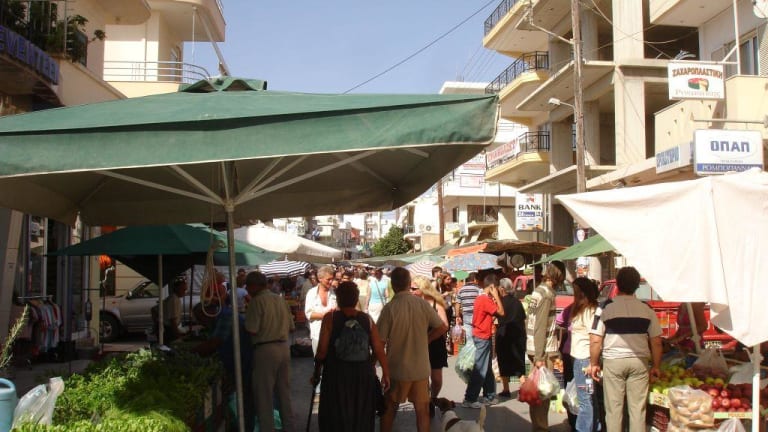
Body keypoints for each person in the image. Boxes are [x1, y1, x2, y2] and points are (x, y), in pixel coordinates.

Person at [589, 266, 662, 432]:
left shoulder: (605, 307)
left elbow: (595, 340)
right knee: (638, 411)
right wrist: (656, 366)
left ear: (618, 284)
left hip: (613, 362)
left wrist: (594, 363)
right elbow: (656, 342)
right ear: (637, 286)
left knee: (614, 411)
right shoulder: (646, 309)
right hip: (639, 363)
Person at [311, 282, 390, 432]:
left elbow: (321, 351)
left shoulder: (330, 318)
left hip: (336, 374)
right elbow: (379, 349)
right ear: (356, 299)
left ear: (338, 299)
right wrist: (385, 373)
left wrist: (316, 372)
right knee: (361, 413)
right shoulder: (367, 319)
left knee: (336, 413)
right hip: (362, 375)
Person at [377, 267, 448, 432]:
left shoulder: (390, 308)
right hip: (420, 369)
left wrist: (378, 366)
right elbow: (441, 326)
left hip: (397, 369)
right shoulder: (422, 304)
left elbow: (380, 342)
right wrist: (427, 339)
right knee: (422, 411)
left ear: (393, 285)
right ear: (409, 284)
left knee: (389, 408)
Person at [191, 292, 255, 432]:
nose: (201, 323)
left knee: (245, 398)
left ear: (208, 312)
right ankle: (237, 424)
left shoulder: (226, 317)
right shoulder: (220, 317)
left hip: (243, 361)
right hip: (233, 361)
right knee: (237, 397)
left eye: (201, 319)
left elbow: (214, 343)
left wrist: (191, 351)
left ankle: (245, 427)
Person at [245, 271, 295, 432]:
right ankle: (289, 427)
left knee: (264, 395)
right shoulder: (280, 300)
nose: (246, 289)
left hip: (265, 349)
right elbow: (292, 327)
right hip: (283, 348)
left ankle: (267, 428)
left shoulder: (257, 301)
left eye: (248, 286)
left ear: (254, 286)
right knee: (284, 393)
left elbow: (252, 329)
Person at [526, 261, 565, 432]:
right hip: (543, 350)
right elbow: (540, 326)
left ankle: (538, 426)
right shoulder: (547, 295)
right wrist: (540, 357)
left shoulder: (537, 292)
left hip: (533, 346)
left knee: (537, 392)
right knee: (543, 393)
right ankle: (541, 428)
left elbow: (530, 320)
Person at [462, 274, 505, 408]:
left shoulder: (480, 298)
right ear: (492, 287)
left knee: (486, 367)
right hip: (482, 336)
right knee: (480, 368)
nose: (498, 290)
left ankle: (489, 395)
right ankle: (470, 398)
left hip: (481, 334)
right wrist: (497, 297)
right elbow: (501, 312)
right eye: (496, 288)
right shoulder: (485, 299)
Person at [565, 277, 601, 432]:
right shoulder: (582, 309)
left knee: (585, 399)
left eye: (575, 291)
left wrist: (592, 363)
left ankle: (583, 429)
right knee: (589, 398)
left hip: (584, 362)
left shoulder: (590, 311)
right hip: (580, 360)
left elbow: (594, 338)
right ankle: (595, 427)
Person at [410, 275, 449, 411]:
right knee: (423, 378)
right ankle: (426, 402)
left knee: (436, 379)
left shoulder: (435, 304)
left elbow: (444, 325)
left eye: (414, 288)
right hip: (418, 345)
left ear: (423, 288)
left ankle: (433, 397)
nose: (411, 291)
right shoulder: (412, 304)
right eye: (410, 288)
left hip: (435, 345)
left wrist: (428, 338)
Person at [495, 277, 527, 398]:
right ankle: (523, 386)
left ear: (502, 289)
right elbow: (523, 318)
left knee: (503, 360)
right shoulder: (517, 302)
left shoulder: (500, 303)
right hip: (518, 334)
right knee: (519, 360)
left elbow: (496, 316)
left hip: (504, 334)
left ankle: (506, 389)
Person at [305, 265, 337, 354]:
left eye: (332, 279)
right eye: (328, 279)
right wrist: (325, 315)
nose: (331, 282)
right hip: (318, 335)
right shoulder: (311, 293)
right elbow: (309, 315)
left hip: (333, 335)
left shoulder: (334, 292)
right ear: (320, 279)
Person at [456, 272, 482, 343]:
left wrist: (457, 316)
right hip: (477, 315)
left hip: (466, 315)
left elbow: (457, 304)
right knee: (478, 336)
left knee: (469, 338)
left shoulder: (461, 290)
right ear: (475, 279)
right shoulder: (479, 289)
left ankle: (470, 349)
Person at [162, 277, 188, 343]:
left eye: (185, 290)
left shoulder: (175, 298)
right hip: (170, 330)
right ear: (176, 288)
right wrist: (177, 335)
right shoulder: (173, 300)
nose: (184, 292)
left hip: (170, 328)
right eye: (183, 289)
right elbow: (172, 320)